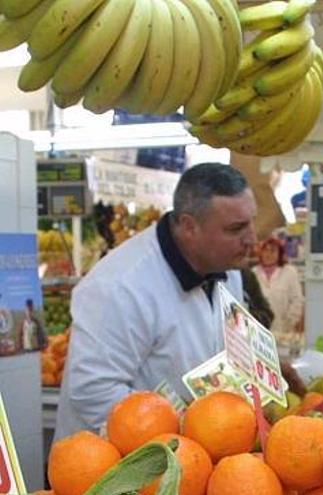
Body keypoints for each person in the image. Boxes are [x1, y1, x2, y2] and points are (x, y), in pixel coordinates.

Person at [55, 163, 257, 441]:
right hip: (110, 466)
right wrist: (185, 429)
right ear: (189, 226)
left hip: (195, 455)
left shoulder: (227, 270)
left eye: (251, 223)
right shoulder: (120, 286)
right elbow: (93, 391)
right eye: (236, 229)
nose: (252, 239)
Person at [252, 237, 304, 353]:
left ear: (280, 253)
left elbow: (297, 300)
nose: (268, 254)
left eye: (273, 251)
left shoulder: (289, 272)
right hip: (258, 332)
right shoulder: (253, 273)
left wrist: (289, 322)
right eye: (265, 250)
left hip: (284, 332)